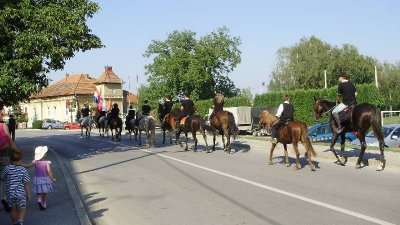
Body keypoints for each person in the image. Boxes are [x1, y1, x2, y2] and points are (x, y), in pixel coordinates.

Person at [0, 147, 31, 225]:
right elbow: (26, 183)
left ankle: (14, 222)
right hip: (21, 194)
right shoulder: (23, 170)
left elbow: (2, 178)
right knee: (22, 208)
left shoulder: (7, 168)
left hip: (10, 194)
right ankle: (20, 221)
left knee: (12, 209)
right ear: (21, 159)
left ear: (10, 159)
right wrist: (28, 194)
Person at [30, 146, 56, 211]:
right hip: (45, 179)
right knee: (45, 193)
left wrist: (20, 163)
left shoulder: (35, 162)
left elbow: (28, 166)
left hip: (38, 179)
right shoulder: (47, 162)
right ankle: (44, 203)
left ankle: (39, 201)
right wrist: (53, 178)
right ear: (44, 155)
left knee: (39, 192)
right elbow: (49, 171)